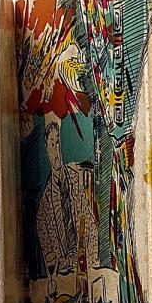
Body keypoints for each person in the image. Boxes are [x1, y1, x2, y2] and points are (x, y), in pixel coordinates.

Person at [37, 117, 97, 276]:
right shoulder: (44, 206)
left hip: (83, 265)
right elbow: (48, 256)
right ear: (46, 149)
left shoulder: (74, 181)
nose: (56, 150)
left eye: (58, 143)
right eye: (52, 144)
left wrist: (90, 264)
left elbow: (90, 224)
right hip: (64, 274)